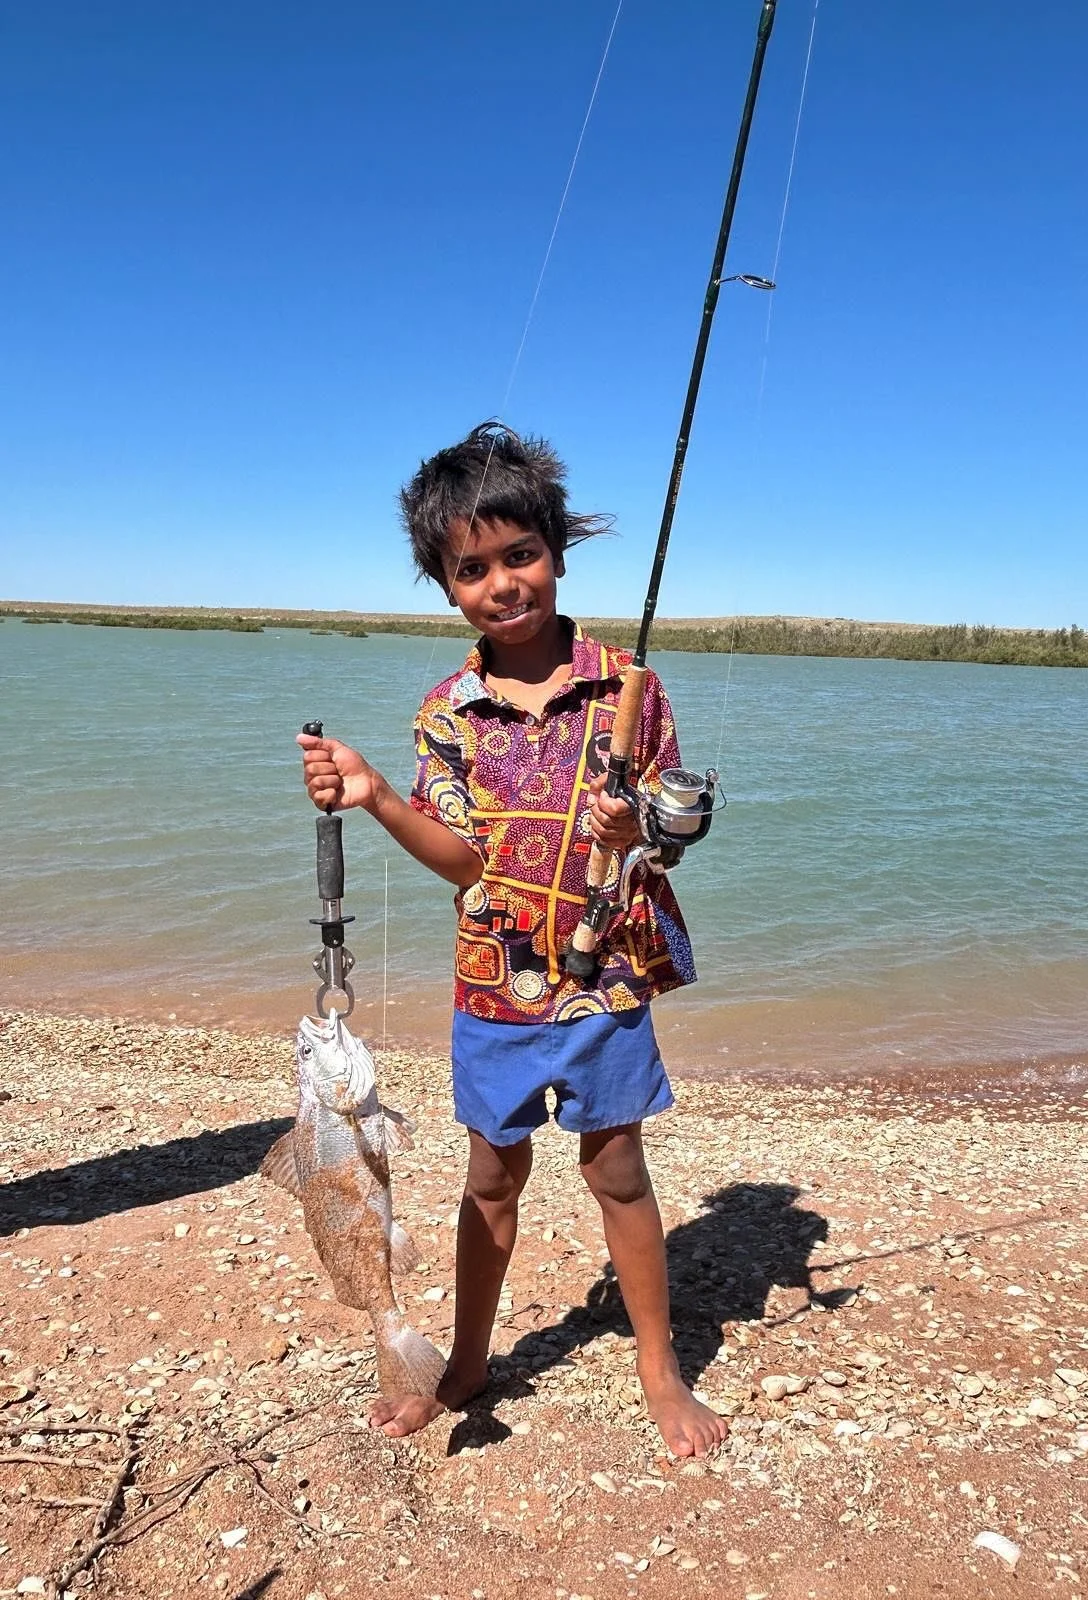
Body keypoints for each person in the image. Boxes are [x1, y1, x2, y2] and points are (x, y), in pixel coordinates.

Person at [297, 421, 726, 1458]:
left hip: (607, 971)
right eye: (472, 567)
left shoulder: (630, 688)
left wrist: (645, 830)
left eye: (519, 555)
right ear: (447, 586)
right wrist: (376, 795)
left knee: (618, 1166)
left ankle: (658, 1368)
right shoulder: (447, 713)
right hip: (496, 981)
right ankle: (468, 1360)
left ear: (557, 553)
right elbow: (463, 861)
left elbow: (684, 819)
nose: (502, 582)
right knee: (491, 1176)